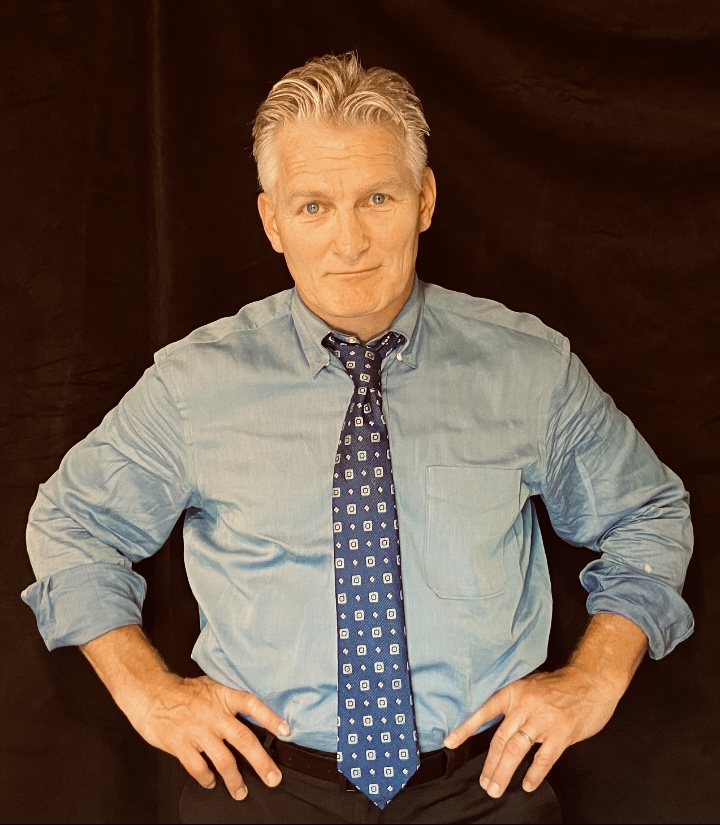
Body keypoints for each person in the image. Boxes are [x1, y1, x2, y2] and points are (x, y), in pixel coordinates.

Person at [22, 52, 693, 824]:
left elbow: (648, 513)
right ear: (272, 221)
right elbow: (72, 524)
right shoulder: (194, 385)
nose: (350, 242)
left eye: (377, 197)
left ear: (424, 199)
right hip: (262, 791)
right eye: (313, 206)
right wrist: (147, 691)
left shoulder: (527, 368)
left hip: (483, 791)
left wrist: (595, 677)